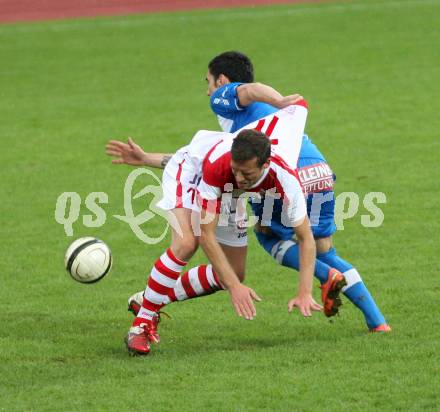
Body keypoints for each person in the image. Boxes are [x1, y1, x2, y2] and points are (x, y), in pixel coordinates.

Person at [111, 51, 390, 332]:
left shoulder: (225, 99)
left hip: (281, 174)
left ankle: (325, 275)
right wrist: (148, 159)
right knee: (323, 248)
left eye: (207, 82)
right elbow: (211, 158)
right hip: (318, 170)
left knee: (269, 238)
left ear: (221, 80)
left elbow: (249, 91)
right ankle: (377, 321)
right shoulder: (258, 133)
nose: (207, 90)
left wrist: (278, 99)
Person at [113, 103, 324, 355]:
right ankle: (141, 325)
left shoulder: (286, 178)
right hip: (190, 174)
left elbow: (307, 239)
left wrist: (304, 292)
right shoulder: (221, 166)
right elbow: (206, 234)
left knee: (235, 271)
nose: (239, 176)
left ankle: (149, 299)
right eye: (235, 169)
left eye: (246, 172)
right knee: (187, 243)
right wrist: (233, 287)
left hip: (226, 193)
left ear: (265, 164)